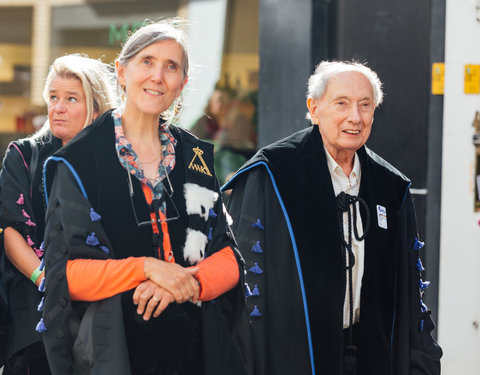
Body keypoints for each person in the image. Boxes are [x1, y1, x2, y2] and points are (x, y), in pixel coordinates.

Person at [40, 20, 252, 375]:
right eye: (147, 62)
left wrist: (185, 285)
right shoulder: (78, 161)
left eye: (172, 67)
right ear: (122, 72)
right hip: (116, 353)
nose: (158, 76)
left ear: (182, 84)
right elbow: (67, 276)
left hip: (197, 351)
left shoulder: (194, 157)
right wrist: (147, 268)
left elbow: (230, 258)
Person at [224, 61, 443, 375]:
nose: (355, 117)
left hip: (371, 353)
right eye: (341, 103)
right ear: (314, 108)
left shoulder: (390, 187)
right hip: (292, 356)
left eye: (365, 105)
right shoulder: (272, 175)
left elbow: (410, 295)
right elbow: (245, 290)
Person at [0, 54, 116, 375]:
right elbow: (12, 231)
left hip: (99, 315)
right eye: (53, 97)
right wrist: (45, 280)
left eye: (70, 99)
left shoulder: (115, 165)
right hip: (35, 322)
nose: (58, 107)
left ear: (96, 107)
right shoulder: (24, 155)